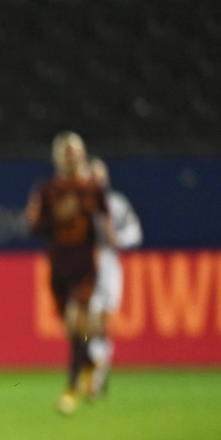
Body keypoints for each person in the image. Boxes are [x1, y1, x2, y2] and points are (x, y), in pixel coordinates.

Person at [26, 132, 109, 414]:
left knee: (77, 322)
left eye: (74, 152)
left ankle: (71, 390)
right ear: (57, 157)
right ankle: (90, 364)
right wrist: (58, 216)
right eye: (65, 152)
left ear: (82, 156)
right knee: (72, 329)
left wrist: (110, 242)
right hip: (59, 267)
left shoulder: (92, 189)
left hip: (85, 267)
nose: (69, 157)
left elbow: (105, 221)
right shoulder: (46, 190)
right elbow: (33, 228)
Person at [86, 158, 142, 398]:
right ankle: (95, 368)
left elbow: (135, 233)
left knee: (102, 320)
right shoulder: (80, 205)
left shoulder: (116, 204)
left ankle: (99, 369)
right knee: (88, 320)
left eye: (100, 178)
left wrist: (116, 240)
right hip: (85, 264)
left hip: (108, 264)